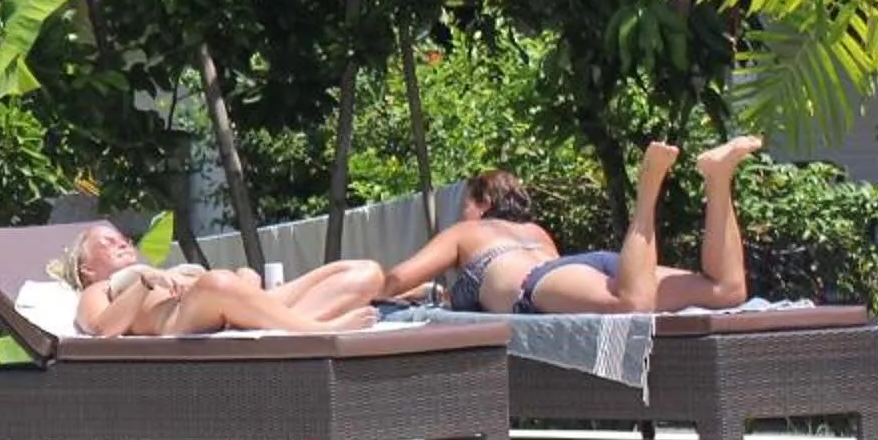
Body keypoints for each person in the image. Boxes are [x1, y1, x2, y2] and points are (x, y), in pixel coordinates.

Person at [378, 137, 762, 314]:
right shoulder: (534, 233)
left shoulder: (466, 233)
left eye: (465, 205)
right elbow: (572, 286)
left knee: (632, 304)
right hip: (590, 267)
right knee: (726, 290)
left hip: (537, 284)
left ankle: (647, 192)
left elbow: (395, 280)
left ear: (483, 203)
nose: (461, 215)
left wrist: (368, 290)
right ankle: (717, 177)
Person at [59, 221, 384, 337]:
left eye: (123, 240)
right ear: (87, 268)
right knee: (218, 283)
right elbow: (102, 328)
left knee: (365, 273)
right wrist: (146, 282)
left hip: (230, 303)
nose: (122, 244)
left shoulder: (161, 273)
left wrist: (244, 280)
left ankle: (279, 322)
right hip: (182, 315)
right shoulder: (98, 288)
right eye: (108, 242)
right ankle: (318, 330)